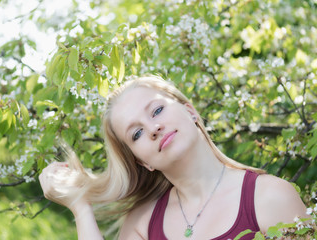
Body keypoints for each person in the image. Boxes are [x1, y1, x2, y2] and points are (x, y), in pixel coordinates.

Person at [39, 76, 308, 240]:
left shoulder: (271, 197)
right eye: (137, 133)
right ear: (143, 162)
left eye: (156, 110)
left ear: (190, 111)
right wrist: (80, 207)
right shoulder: (143, 223)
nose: (154, 128)